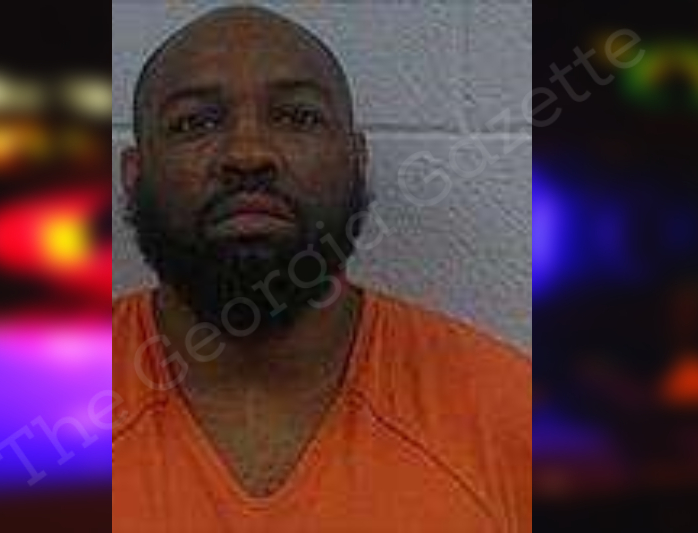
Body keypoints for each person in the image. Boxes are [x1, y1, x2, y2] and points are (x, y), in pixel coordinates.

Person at [112, 6, 531, 532]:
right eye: (196, 122)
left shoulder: (511, 416)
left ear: (357, 159)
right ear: (135, 173)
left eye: (297, 117)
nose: (248, 153)